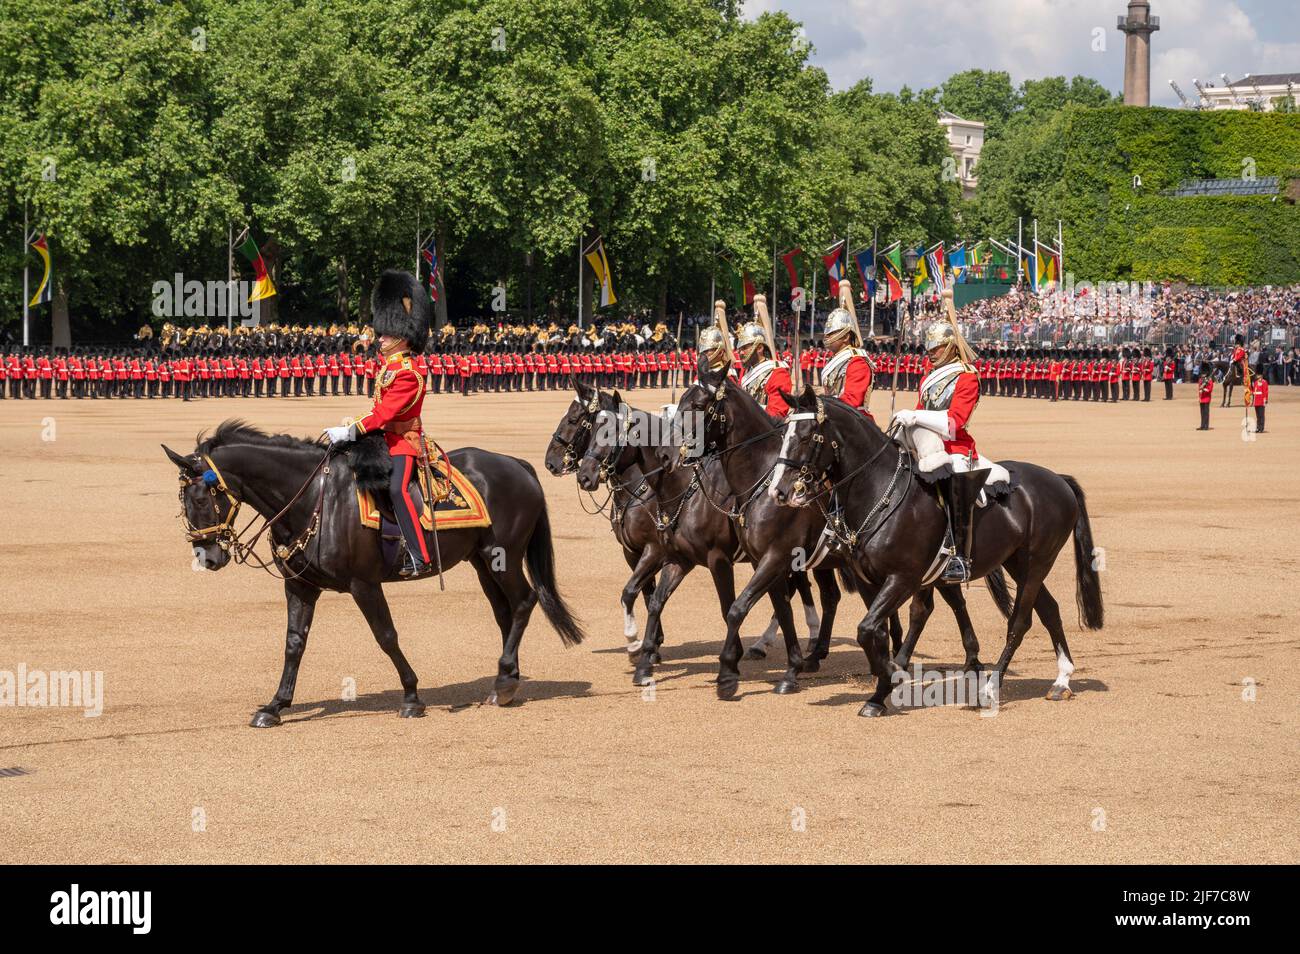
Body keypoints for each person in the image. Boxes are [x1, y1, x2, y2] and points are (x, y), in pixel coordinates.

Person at [323, 271, 433, 578]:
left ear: (401, 336)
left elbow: (385, 415)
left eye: (385, 334)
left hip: (404, 441)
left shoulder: (408, 372)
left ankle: (419, 555)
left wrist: (351, 429)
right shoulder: (391, 366)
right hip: (384, 437)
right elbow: (377, 411)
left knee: (398, 489)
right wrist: (354, 425)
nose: (379, 338)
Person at [891, 289, 989, 584]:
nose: (930, 353)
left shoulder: (967, 377)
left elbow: (954, 423)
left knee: (955, 484)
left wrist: (917, 416)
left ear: (950, 347)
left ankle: (960, 556)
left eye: (935, 348)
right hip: (925, 445)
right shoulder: (928, 377)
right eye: (928, 348)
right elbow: (922, 412)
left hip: (956, 448)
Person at [818, 284, 873, 418]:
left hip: (854, 423)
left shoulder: (857, 362)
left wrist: (821, 404)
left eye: (832, 333)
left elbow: (851, 401)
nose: (827, 337)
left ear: (846, 336)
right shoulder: (836, 360)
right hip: (833, 416)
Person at [735, 294, 792, 419]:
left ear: (759, 348)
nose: (740, 352)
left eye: (745, 348)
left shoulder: (777, 373)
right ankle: (692, 439)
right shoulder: (746, 372)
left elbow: (776, 414)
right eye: (740, 348)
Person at [1252, 365, 1268, 434]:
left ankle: (1261, 428)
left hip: (1261, 400)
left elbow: (1265, 391)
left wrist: (1265, 400)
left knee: (1261, 415)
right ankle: (1258, 427)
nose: (1257, 376)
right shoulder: (1255, 383)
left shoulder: (1264, 382)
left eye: (1258, 375)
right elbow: (1254, 391)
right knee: (1258, 416)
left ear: (1261, 375)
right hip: (1256, 401)